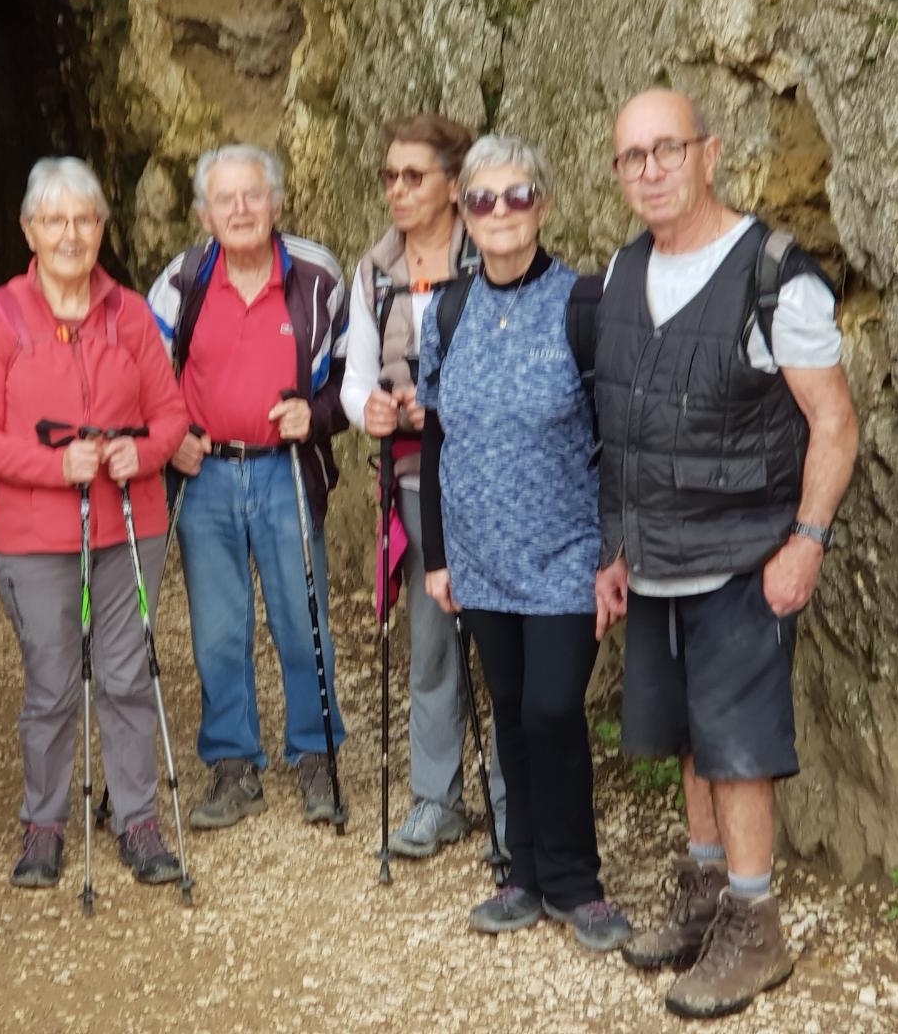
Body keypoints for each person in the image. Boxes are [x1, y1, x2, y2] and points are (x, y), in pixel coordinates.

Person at [593, 89, 858, 1018]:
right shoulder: (624, 271)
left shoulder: (774, 274)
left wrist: (807, 542)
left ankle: (755, 923)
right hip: (656, 557)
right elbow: (621, 428)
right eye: (633, 157)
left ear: (709, 154)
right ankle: (706, 893)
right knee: (688, 737)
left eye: (667, 149)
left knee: (737, 747)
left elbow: (834, 423)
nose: (651, 170)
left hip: (747, 556)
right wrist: (616, 547)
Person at [418, 134, 632, 952]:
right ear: (463, 212)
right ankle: (527, 875)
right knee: (509, 710)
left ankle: (578, 884)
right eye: (482, 198)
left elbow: (618, 438)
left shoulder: (584, 304)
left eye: (517, 195)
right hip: (480, 556)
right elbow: (435, 435)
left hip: (565, 553)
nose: (500, 211)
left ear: (543, 204)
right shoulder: (448, 310)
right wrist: (438, 557)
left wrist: (614, 551)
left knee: (551, 708)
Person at [0, 156, 190, 888]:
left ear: (102, 227)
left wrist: (141, 452)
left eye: (84, 219)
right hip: (36, 537)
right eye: (54, 220)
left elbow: (171, 414)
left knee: (126, 676)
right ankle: (44, 823)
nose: (70, 234)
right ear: (29, 230)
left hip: (130, 526)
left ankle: (137, 818)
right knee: (52, 684)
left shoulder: (130, 315)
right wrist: (53, 466)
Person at [148, 144, 350, 829]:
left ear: (277, 202)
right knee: (217, 630)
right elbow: (141, 373)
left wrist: (315, 415)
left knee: (302, 618)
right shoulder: (180, 281)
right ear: (203, 213)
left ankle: (317, 756)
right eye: (224, 199)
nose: (240, 209)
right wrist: (169, 435)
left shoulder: (318, 276)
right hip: (205, 474)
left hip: (285, 469)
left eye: (253, 195)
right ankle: (233, 765)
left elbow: (352, 378)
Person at [339, 113, 508, 860]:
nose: (397, 190)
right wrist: (370, 411)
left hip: (497, 480)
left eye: (414, 176)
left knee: (505, 643)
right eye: (389, 176)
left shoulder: (493, 252)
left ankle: (512, 803)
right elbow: (355, 377)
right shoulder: (375, 272)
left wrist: (438, 404)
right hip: (414, 478)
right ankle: (436, 799)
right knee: (432, 643)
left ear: (453, 183)